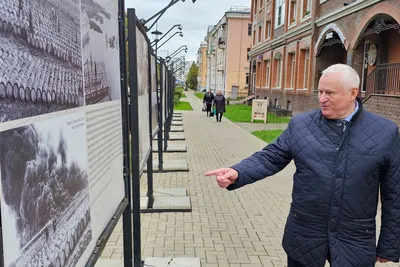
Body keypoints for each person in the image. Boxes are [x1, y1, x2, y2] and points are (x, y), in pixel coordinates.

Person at [205, 64, 400, 267]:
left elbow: (394, 192)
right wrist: (238, 172)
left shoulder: (385, 132)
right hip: (304, 234)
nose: (322, 98)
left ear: (353, 93)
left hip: (354, 239)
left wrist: (390, 244)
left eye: (330, 93)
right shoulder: (301, 125)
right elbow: (271, 157)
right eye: (320, 91)